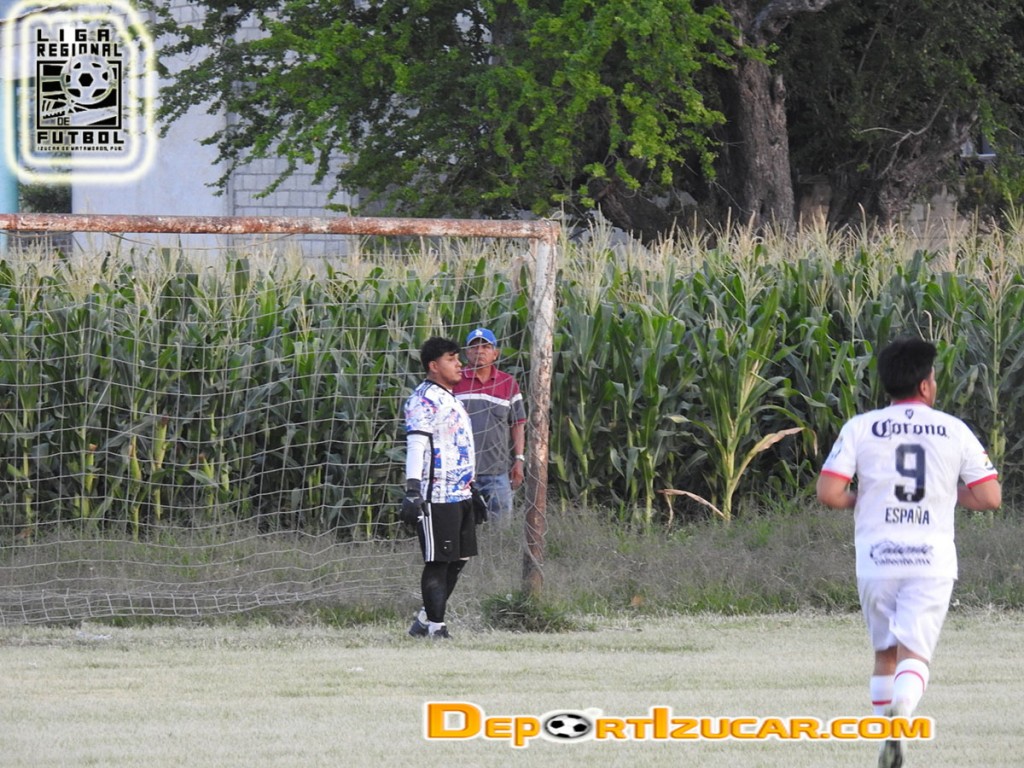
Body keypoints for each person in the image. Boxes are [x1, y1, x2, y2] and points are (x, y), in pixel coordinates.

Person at [815, 337, 1001, 768]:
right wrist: (945, 494)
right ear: (924, 385)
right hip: (931, 559)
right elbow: (989, 497)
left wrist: (863, 498)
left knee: (885, 652)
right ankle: (903, 715)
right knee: (914, 654)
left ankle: (885, 733)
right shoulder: (954, 429)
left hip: (877, 556)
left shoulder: (861, 427)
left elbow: (829, 492)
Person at [402, 336, 478, 639]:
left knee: (459, 558)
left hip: (462, 492)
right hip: (437, 494)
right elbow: (416, 445)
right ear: (434, 366)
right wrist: (413, 490)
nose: (460, 364)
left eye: (458, 358)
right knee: (438, 560)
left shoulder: (451, 398)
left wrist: (473, 486)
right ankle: (436, 628)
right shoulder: (423, 399)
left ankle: (424, 619)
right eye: (451, 359)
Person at [453, 328, 527, 527]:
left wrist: (519, 460)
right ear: (466, 353)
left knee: (501, 531)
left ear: (495, 353)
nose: (479, 351)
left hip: (498, 472)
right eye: (474, 347)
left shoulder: (508, 383)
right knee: (463, 530)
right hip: (461, 474)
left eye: (485, 346)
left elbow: (518, 424)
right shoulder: (454, 382)